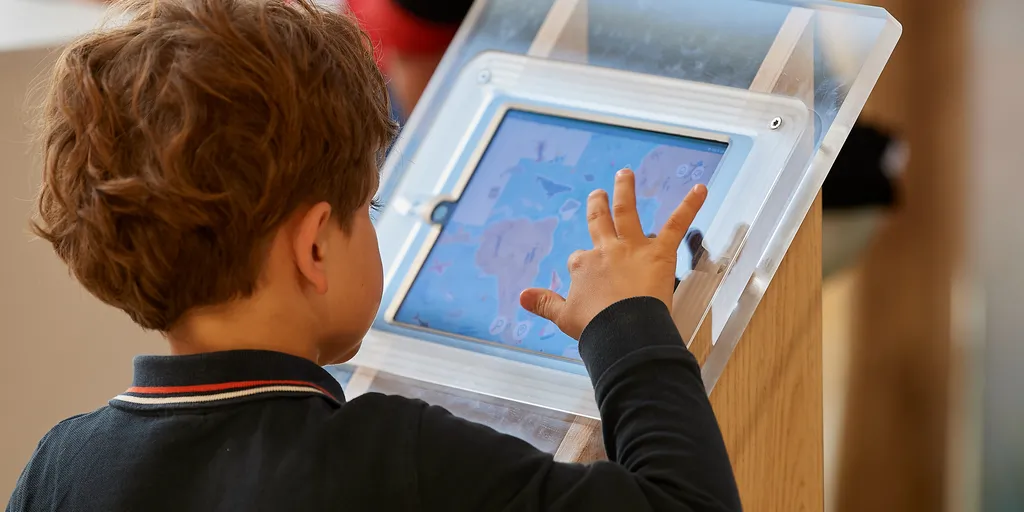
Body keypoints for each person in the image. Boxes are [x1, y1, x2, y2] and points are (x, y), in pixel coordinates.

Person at [7, 0, 740, 510]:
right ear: (316, 245)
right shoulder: (396, 460)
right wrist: (628, 322)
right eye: (369, 208)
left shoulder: (59, 467)